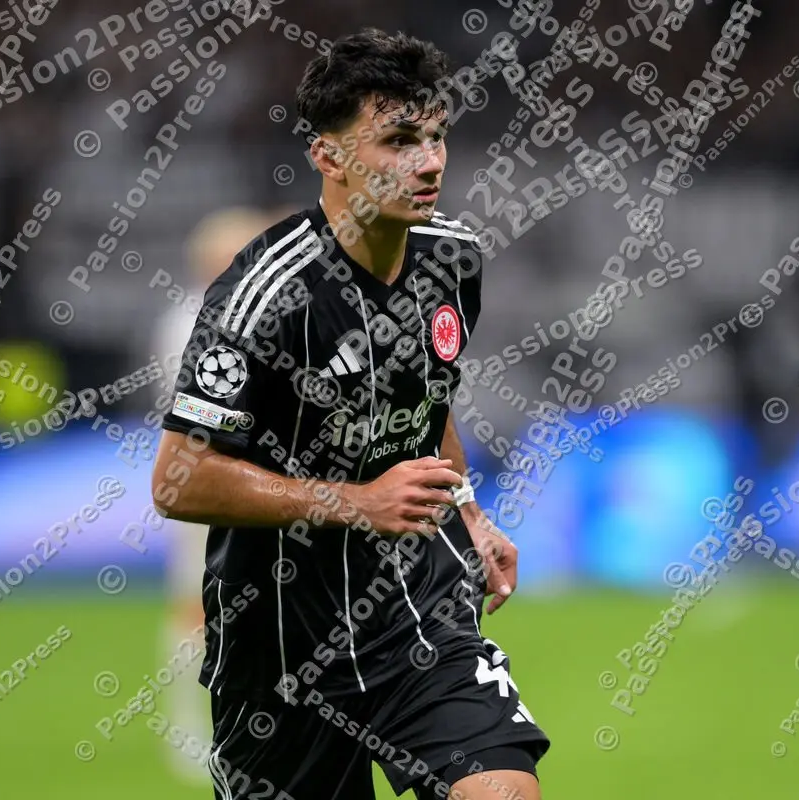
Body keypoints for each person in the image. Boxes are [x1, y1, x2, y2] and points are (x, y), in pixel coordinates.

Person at [152, 29, 549, 800]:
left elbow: (425, 403)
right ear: (328, 156)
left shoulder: (454, 258)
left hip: (416, 619)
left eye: (436, 137)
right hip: (279, 647)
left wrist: (468, 512)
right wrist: (356, 503)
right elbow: (178, 480)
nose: (429, 161)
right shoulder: (262, 295)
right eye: (399, 140)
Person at [151, 206, 280, 784]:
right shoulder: (194, 324)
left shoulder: (230, 315)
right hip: (211, 486)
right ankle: (186, 727)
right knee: (196, 609)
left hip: (255, 488)